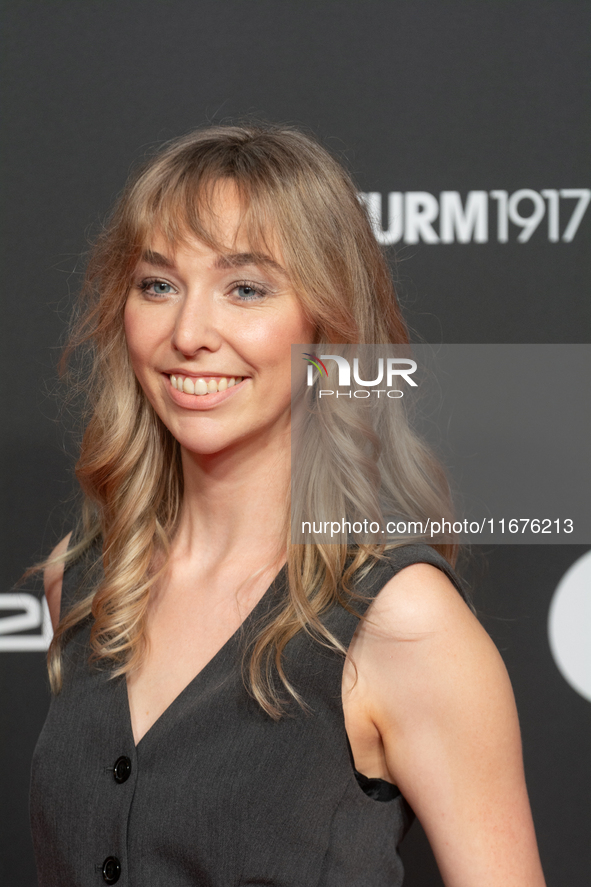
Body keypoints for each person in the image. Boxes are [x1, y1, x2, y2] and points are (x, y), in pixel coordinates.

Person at [30, 124, 546, 886]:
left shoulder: (402, 622)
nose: (188, 333)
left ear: (325, 324)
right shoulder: (81, 584)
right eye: (158, 284)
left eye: (246, 288)